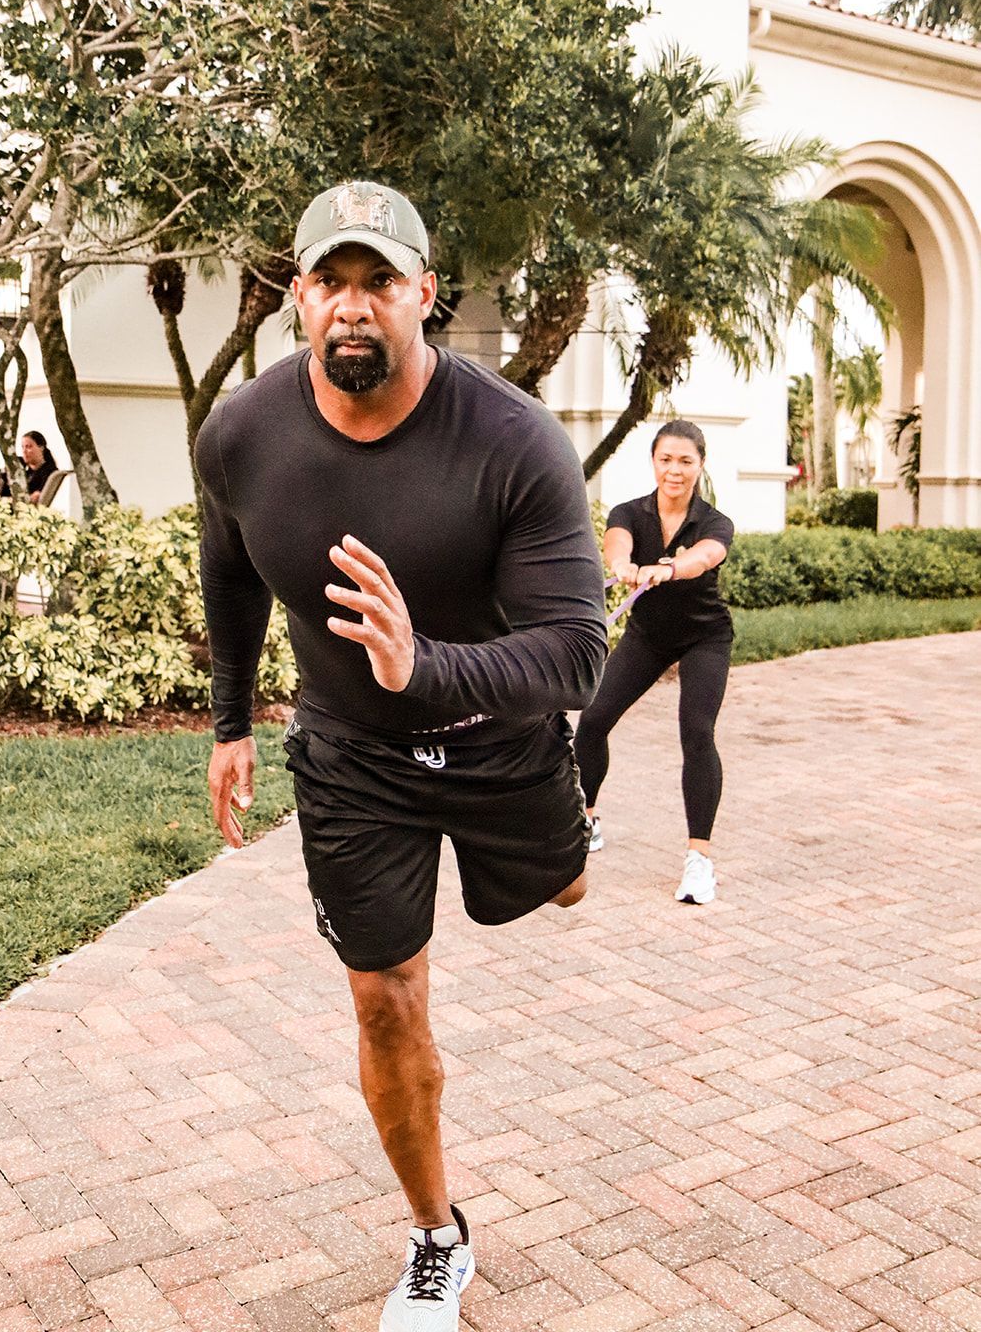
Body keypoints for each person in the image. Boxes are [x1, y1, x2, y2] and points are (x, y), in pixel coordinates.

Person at [195, 180, 606, 1332]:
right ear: (296, 298)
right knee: (383, 997)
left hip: (500, 742)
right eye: (331, 279)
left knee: (564, 886)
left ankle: (572, 830)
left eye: (381, 281)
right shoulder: (240, 435)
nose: (353, 306)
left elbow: (576, 653)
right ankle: (436, 1235)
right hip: (350, 758)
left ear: (426, 294)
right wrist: (231, 720)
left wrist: (423, 665)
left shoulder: (514, 439)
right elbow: (228, 569)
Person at [574, 421, 734, 905]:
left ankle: (699, 859)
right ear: (654, 462)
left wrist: (670, 567)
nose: (675, 470)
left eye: (686, 461)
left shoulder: (713, 521)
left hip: (705, 637)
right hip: (648, 638)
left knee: (697, 732)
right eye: (666, 459)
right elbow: (616, 542)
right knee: (593, 720)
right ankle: (588, 819)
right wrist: (622, 566)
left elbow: (706, 557)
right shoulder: (630, 512)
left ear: (701, 465)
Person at [0, 431, 58, 503]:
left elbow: (36, 497)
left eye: (29, 447)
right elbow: (1, 495)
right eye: (22, 447)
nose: (24, 451)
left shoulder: (48, 471)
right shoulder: (22, 470)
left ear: (41, 447)